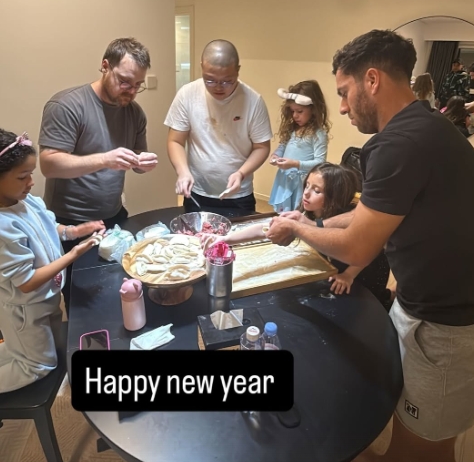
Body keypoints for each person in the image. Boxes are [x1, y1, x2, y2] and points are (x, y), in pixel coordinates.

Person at [267, 29, 474, 462]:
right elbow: (368, 218)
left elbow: (358, 247)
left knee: (433, 448)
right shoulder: (427, 126)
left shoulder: (396, 144)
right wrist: (313, 221)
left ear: (373, 80)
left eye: (344, 92)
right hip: (422, 298)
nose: (341, 106)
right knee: (410, 406)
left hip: (449, 321)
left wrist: (298, 229)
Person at [39, 38, 157, 304]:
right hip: (70, 224)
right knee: (83, 304)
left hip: (113, 217)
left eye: (138, 85)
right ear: (105, 66)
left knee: (122, 290)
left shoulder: (135, 113)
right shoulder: (67, 105)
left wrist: (142, 163)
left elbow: (135, 161)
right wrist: (104, 159)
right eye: (125, 81)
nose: (131, 91)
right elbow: (49, 164)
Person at [0, 130, 103, 393]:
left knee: (54, 344)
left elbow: (48, 226)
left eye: (31, 173)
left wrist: (73, 231)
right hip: (25, 310)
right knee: (38, 365)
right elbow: (26, 282)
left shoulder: (26, 201)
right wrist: (73, 254)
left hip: (47, 297)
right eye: (22, 176)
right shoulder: (3, 227)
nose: (31, 182)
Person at [204, 162, 389, 303]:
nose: (306, 193)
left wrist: (349, 275)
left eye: (316, 190)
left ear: (335, 197)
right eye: (307, 185)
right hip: (332, 266)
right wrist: (225, 239)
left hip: (363, 271)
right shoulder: (307, 214)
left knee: (367, 303)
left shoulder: (344, 221)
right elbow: (267, 227)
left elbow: (370, 250)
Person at [165, 40, 272, 218]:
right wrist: (182, 172)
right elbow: (175, 140)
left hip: (238, 194)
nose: (218, 87)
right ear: (202, 66)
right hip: (197, 191)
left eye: (227, 81)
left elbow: (262, 147)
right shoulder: (187, 94)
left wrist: (241, 173)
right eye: (210, 80)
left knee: (238, 236)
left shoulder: (253, 101)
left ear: (238, 70)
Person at [268, 81, 329, 212]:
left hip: (301, 183)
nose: (295, 115)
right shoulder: (292, 129)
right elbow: (282, 146)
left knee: (297, 214)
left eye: (300, 111)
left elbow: (320, 162)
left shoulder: (318, 134)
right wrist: (276, 155)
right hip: (285, 179)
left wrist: (295, 164)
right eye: (292, 111)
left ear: (313, 109)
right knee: (283, 213)